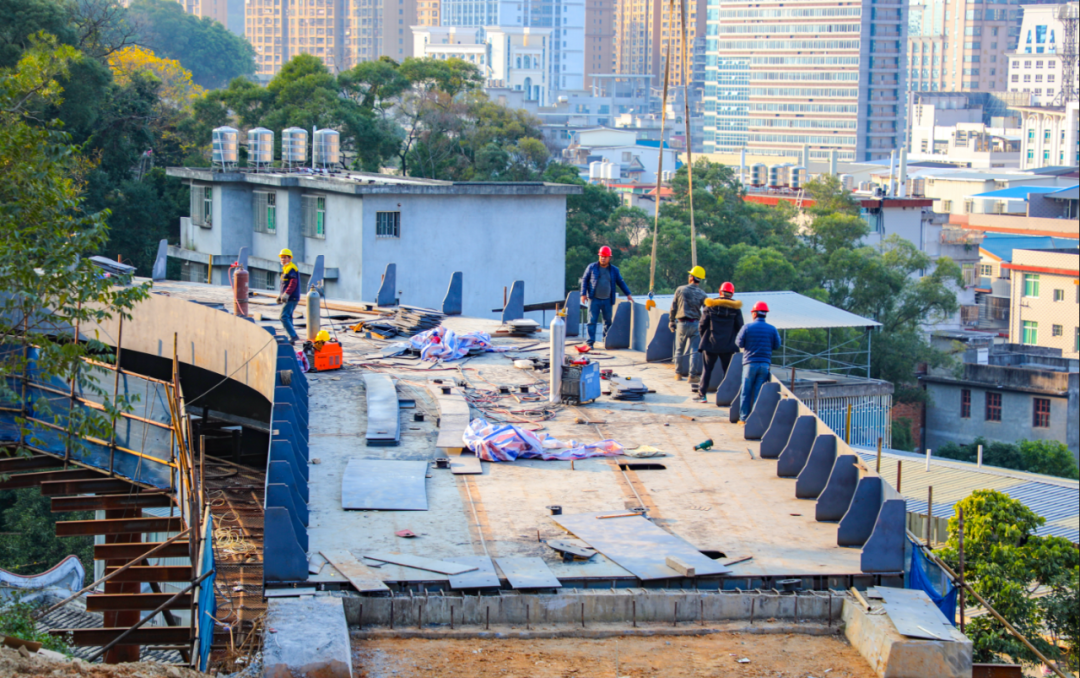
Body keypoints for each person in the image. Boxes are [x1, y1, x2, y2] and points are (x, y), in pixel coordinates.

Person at [694, 282, 744, 402]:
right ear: (731, 294)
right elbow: (740, 327)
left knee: (707, 370)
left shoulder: (710, 306)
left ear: (720, 291)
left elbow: (702, 325)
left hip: (711, 344)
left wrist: (704, 338)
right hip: (728, 346)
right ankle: (727, 396)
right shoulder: (735, 309)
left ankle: (702, 395)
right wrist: (732, 340)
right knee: (727, 371)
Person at [734, 301, 781, 423]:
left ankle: (743, 419)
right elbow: (777, 345)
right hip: (764, 365)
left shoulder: (747, 328)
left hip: (750, 364)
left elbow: (739, 343)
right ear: (765, 314)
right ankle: (754, 421)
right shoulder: (772, 329)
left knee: (746, 392)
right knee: (758, 394)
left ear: (754, 314)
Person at [580, 246, 634, 348]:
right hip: (594, 299)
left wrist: (628, 294)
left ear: (609, 258)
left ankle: (606, 341)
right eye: (601, 256)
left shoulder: (614, 270)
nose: (603, 258)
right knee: (591, 321)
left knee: (608, 322)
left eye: (605, 256)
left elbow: (621, 282)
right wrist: (583, 294)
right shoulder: (592, 267)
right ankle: (590, 342)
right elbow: (584, 280)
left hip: (607, 300)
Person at [669, 266, 708, 382]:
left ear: (691, 278)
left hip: (681, 323)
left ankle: (678, 374)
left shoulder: (680, 289)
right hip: (696, 324)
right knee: (694, 350)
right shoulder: (702, 294)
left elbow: (673, 307)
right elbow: (707, 312)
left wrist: (671, 321)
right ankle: (692, 376)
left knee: (679, 350)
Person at [277, 248, 301, 344]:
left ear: (290, 258)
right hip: (290, 297)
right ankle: (291, 338)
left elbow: (293, 283)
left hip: (292, 297)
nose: (283, 259)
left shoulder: (292, 268)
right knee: (289, 317)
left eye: (285, 257)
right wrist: (281, 296)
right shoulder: (286, 269)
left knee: (283, 317)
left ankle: (293, 336)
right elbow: (284, 285)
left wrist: (286, 294)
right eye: (281, 258)